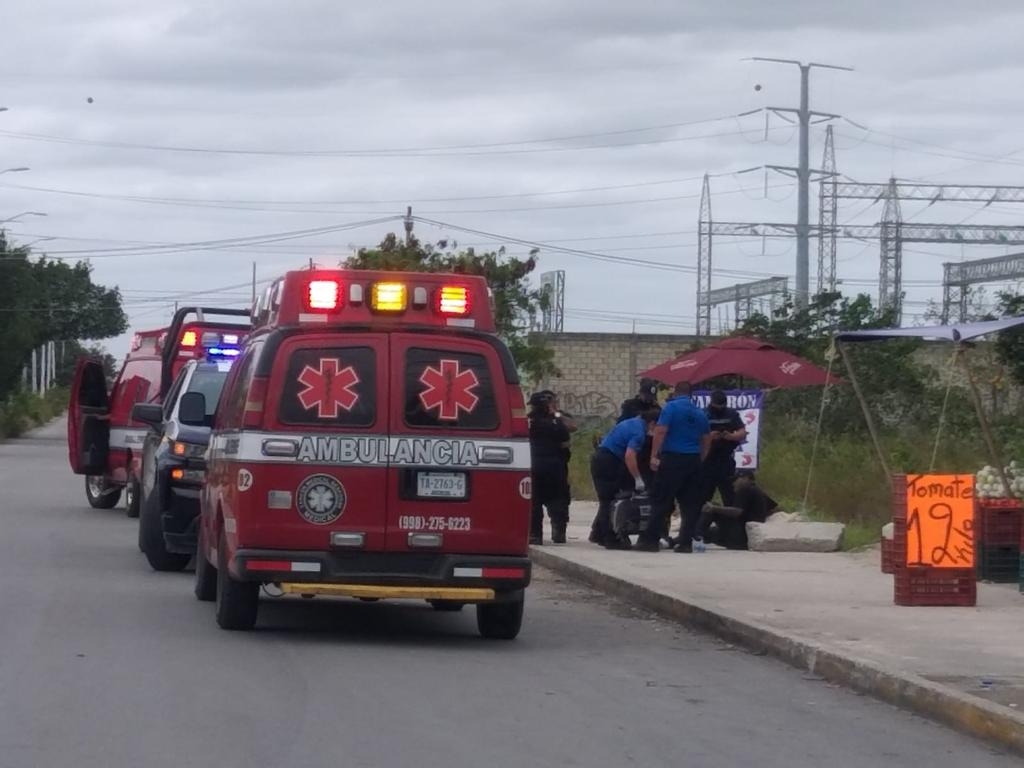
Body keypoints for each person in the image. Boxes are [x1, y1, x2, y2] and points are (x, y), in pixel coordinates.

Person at [636, 381, 711, 553]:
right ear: (690, 394)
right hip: (693, 461)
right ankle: (685, 543)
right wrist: (701, 458)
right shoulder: (700, 413)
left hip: (672, 458)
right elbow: (707, 439)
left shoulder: (670, 409)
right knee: (690, 504)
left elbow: (661, 431)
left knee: (661, 500)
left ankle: (650, 540)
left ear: (675, 392)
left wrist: (654, 455)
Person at [588, 407, 660, 549]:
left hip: (603, 457)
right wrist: (638, 478)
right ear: (652, 423)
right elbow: (629, 456)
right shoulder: (639, 432)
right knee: (609, 501)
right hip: (608, 461)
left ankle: (599, 534)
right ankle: (610, 539)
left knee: (608, 500)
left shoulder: (632, 422)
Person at [695, 470, 779, 549]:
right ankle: (699, 536)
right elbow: (775, 509)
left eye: (736, 480)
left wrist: (714, 508)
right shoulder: (758, 491)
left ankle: (697, 538)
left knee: (712, 507)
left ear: (746, 478)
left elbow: (737, 512)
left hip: (739, 535)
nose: (733, 484)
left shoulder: (745, 489)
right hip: (747, 538)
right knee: (711, 531)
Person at [527, 392, 571, 545]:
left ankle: (535, 535)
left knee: (535, 501)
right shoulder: (555, 421)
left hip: (533, 464)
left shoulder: (528, 421)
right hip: (555, 464)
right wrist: (556, 416)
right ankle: (559, 532)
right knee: (558, 498)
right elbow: (566, 438)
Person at [702, 389, 747, 507]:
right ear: (711, 403)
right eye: (717, 406)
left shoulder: (731, 414)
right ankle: (701, 522)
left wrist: (731, 436)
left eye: (722, 406)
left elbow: (742, 432)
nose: (719, 409)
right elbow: (694, 435)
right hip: (707, 460)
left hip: (725, 460)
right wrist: (709, 437)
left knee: (730, 496)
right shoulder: (703, 414)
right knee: (703, 496)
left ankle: (730, 523)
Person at [539, 390, 576, 513]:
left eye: (553, 401)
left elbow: (573, 427)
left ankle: (558, 530)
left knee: (559, 503)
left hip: (559, 464)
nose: (551, 404)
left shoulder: (560, 416)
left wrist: (555, 414)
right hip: (539, 464)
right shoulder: (536, 418)